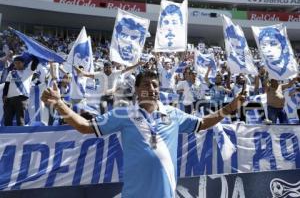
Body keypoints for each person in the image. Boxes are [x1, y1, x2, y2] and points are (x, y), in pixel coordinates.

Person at [41, 69, 246, 198]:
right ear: (137, 90)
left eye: (155, 85)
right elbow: (86, 126)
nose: (152, 88)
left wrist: (228, 109)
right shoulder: (123, 114)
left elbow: (202, 123)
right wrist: (60, 104)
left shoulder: (173, 114)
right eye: (146, 84)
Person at [3, 55, 39, 126]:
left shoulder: (29, 72)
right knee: (7, 120)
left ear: (23, 63)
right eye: (15, 63)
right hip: (10, 99)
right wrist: (4, 95)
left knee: (20, 119)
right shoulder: (11, 73)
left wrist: (32, 54)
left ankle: (20, 136)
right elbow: (6, 85)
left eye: (19, 63)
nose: (17, 64)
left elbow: (35, 61)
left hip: (22, 99)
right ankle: (7, 136)